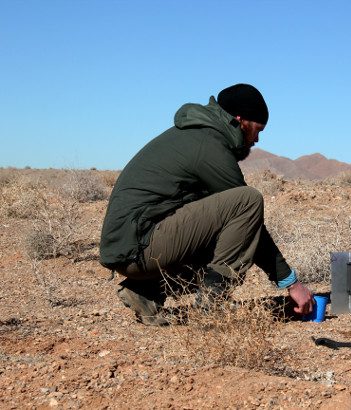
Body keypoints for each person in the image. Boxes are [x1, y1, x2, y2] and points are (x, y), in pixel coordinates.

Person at [99, 83, 315, 325]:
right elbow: (250, 221)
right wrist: (290, 282)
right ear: (240, 120)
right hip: (138, 248)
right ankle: (211, 306)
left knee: (225, 231)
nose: (256, 138)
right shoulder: (208, 146)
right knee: (248, 201)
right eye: (258, 129)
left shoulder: (196, 136)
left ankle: (145, 291)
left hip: (132, 248)